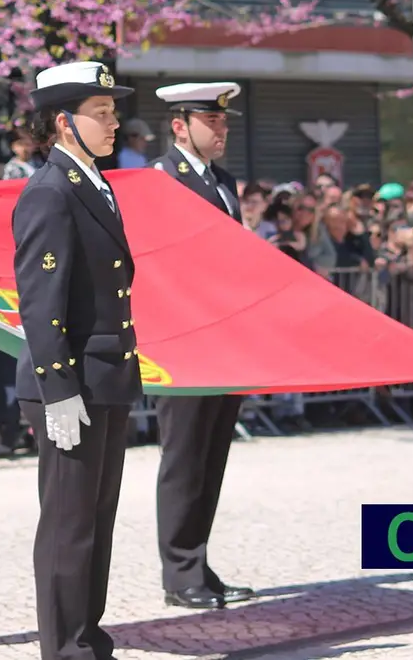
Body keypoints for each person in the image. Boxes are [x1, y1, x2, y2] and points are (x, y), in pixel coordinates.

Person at [13, 60, 142, 660]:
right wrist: (58, 388)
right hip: (73, 382)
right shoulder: (50, 190)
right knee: (69, 525)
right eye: (102, 112)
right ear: (65, 122)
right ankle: (65, 648)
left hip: (105, 374)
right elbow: (41, 302)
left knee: (96, 519)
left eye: (113, 111)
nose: (114, 123)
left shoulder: (91, 182)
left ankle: (88, 639)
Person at [145, 82, 254, 610]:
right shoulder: (162, 179)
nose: (221, 129)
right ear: (180, 126)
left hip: (224, 340)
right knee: (184, 458)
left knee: (211, 458)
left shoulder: (223, 182)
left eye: (223, 121)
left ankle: (198, 562)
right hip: (184, 344)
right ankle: (179, 573)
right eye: (211, 121)